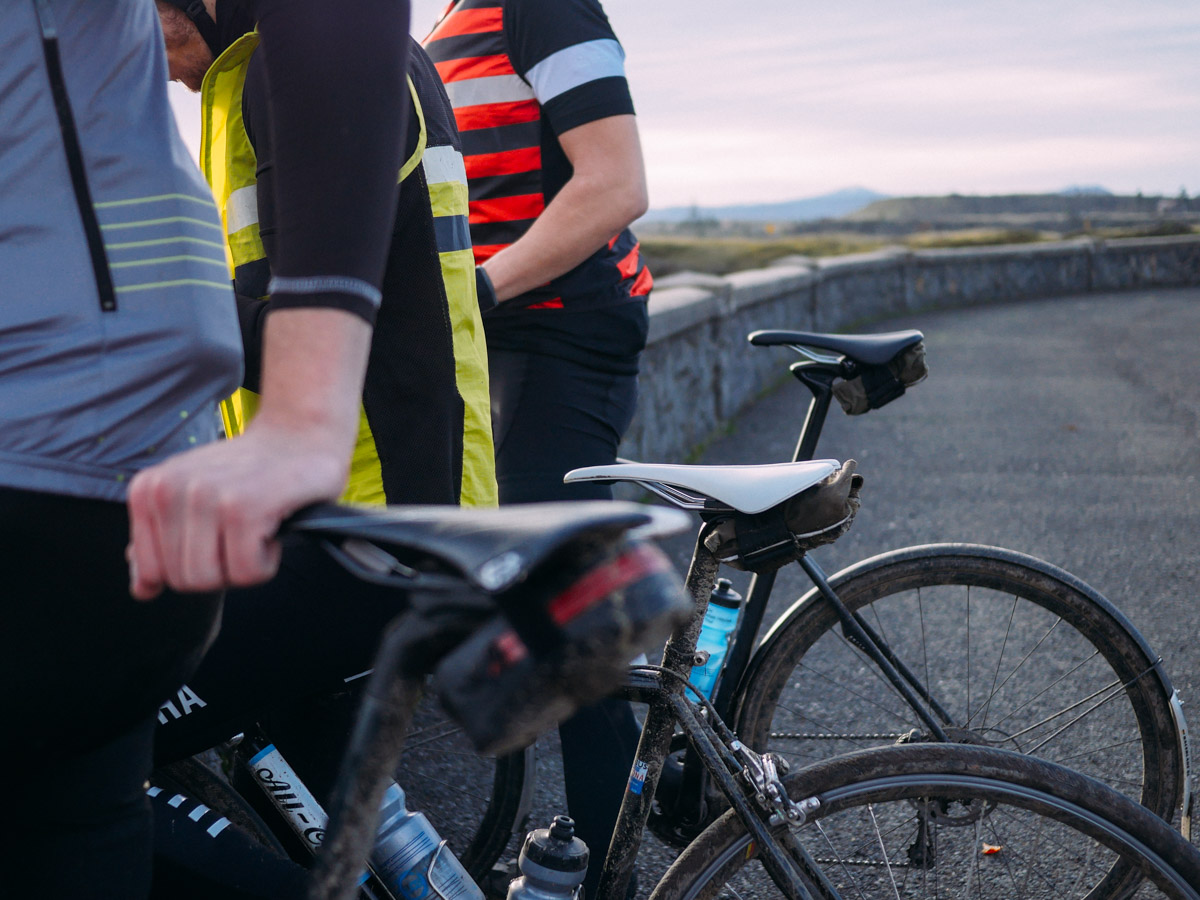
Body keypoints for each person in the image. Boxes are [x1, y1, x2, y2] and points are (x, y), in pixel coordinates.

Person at [422, 1, 652, 892]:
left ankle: (609, 875)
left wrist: (474, 295)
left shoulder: (539, 3)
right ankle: (661, 775)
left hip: (560, 336)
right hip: (502, 344)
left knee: (567, 624)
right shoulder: (447, 21)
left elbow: (615, 184)